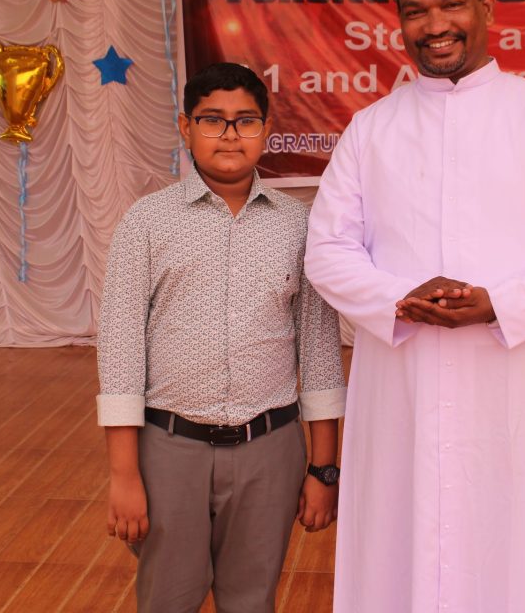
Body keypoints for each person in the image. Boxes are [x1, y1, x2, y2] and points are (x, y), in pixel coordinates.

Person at [305, 0, 525, 612]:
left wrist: (500, 304)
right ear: (398, 20)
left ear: (487, 7)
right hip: (406, 381)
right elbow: (327, 250)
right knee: (406, 533)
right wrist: (398, 297)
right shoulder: (370, 129)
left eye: (451, 4)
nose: (435, 25)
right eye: (415, 11)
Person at [96, 62, 346, 613]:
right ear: (185, 127)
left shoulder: (300, 225)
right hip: (169, 450)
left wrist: (324, 469)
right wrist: (124, 474)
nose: (230, 135)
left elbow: (320, 350)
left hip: (270, 450)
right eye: (212, 120)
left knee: (252, 600)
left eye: (245, 120)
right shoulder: (147, 222)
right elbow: (119, 353)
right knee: (168, 599)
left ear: (267, 129)